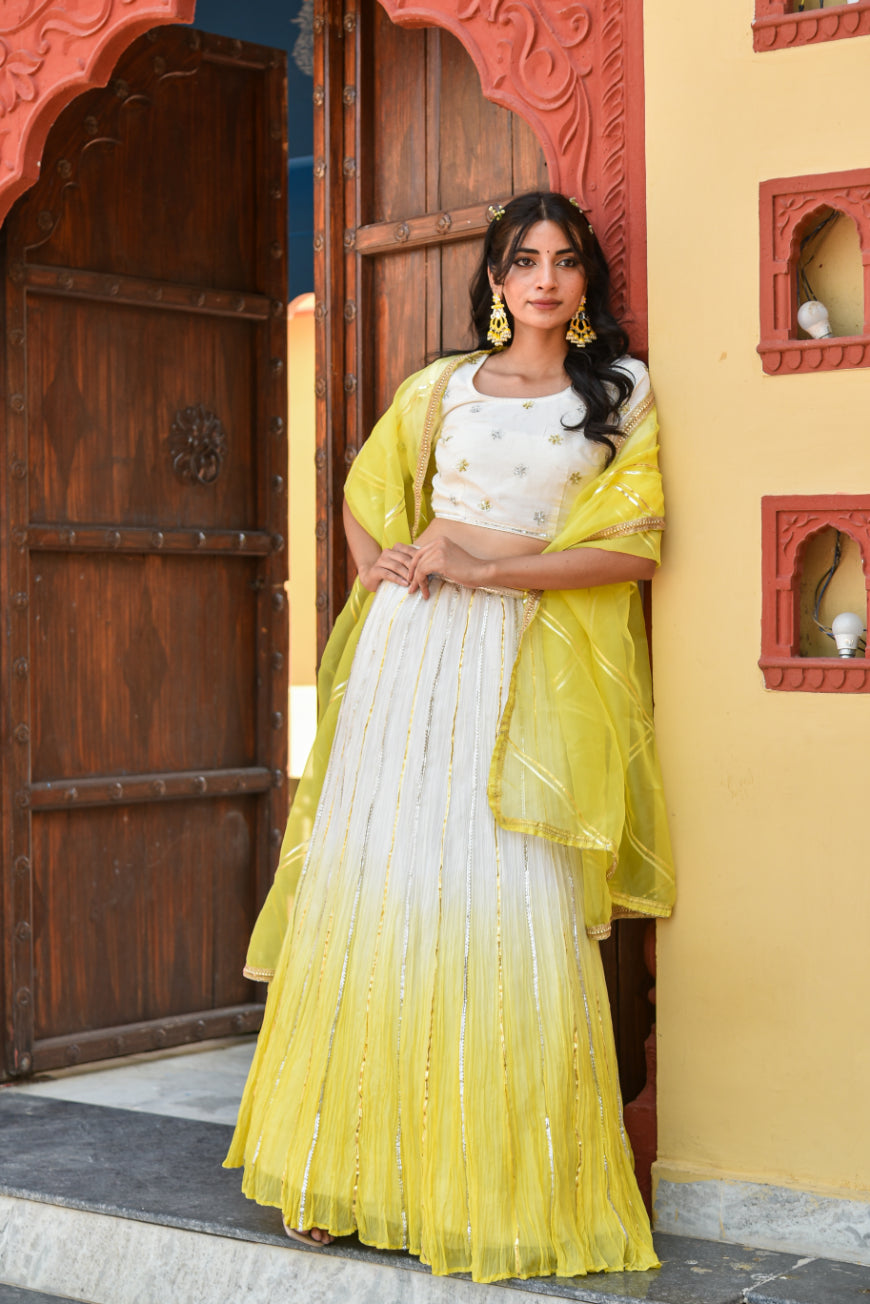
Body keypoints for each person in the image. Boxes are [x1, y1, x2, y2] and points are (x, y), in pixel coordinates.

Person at [225, 191, 675, 1284]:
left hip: (517, 664)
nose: (545, 281)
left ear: (585, 283)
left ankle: (498, 1187)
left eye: (566, 263)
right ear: (493, 277)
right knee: (380, 889)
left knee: (499, 903)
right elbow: (367, 491)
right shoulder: (439, 388)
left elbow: (634, 548)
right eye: (525, 261)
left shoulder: (616, 393)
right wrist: (384, 560)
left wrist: (489, 570)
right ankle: (341, 1165)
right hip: (409, 654)